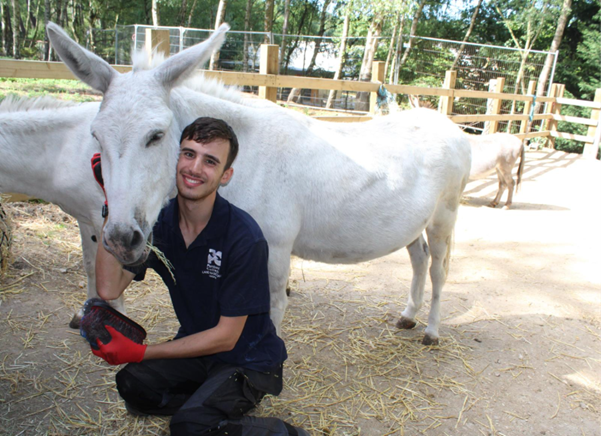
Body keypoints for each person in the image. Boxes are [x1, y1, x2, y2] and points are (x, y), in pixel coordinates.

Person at [92, 117, 308, 436]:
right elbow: (108, 287)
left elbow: (226, 337)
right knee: (132, 385)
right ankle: (208, 411)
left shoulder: (243, 238)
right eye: (189, 154)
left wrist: (143, 352)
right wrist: (114, 205)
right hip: (198, 353)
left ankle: (282, 432)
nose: (194, 168)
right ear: (176, 158)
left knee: (188, 426)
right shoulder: (161, 224)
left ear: (225, 175)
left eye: (210, 161)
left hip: (247, 361)